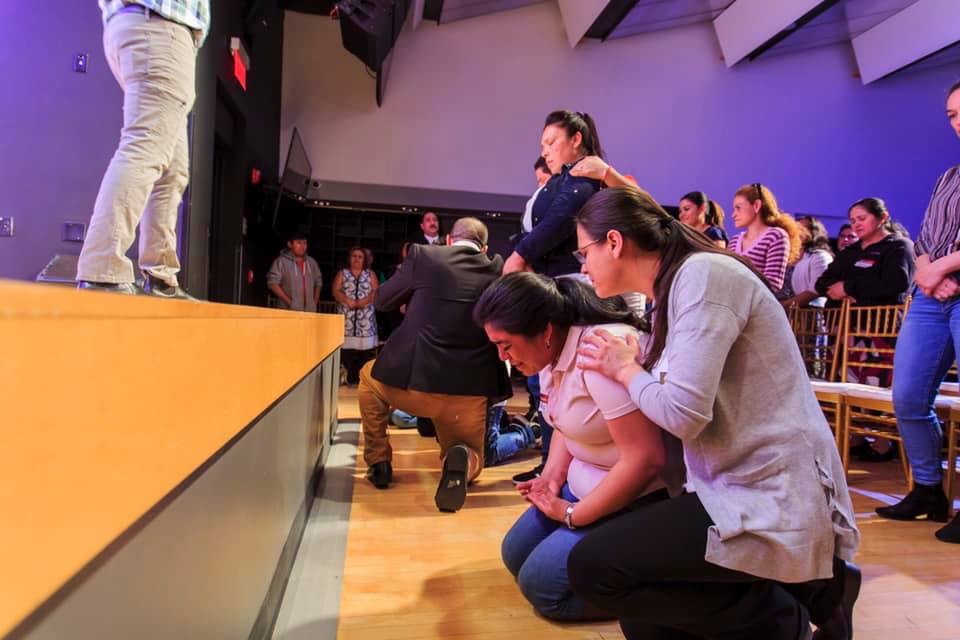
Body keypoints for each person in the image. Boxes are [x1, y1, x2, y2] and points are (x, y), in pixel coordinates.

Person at [563, 187, 860, 640]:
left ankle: (788, 617)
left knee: (593, 569)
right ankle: (815, 592)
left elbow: (683, 414)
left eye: (585, 252)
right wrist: (635, 369)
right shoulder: (673, 292)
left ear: (615, 242)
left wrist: (625, 371)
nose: (583, 266)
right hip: (726, 480)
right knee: (645, 623)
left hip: (769, 486)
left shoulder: (703, 276)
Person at [475, 273, 673, 621]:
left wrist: (572, 514)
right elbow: (565, 423)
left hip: (637, 496)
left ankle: (673, 593)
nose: (503, 356)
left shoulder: (599, 354)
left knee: (544, 590)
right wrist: (552, 478)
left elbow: (646, 459)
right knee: (514, 554)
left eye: (506, 345)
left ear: (545, 332)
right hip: (585, 483)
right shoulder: (550, 353)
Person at [358, 217, 510, 512]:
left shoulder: (424, 256)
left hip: (414, 383)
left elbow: (383, 301)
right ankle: (461, 461)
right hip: (470, 391)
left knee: (367, 377)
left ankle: (379, 462)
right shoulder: (496, 268)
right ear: (484, 248)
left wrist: (413, 299)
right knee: (473, 453)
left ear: (449, 240)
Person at [77, 1, 209, 299]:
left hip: (149, 27)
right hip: (161, 27)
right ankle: (102, 268)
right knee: (145, 148)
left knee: (173, 170)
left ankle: (161, 276)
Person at [504, 110, 606, 484]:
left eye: (551, 142)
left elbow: (559, 220)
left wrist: (520, 255)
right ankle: (552, 465)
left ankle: (562, 467)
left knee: (566, 382)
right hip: (554, 283)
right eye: (542, 144)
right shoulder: (564, 179)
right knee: (549, 382)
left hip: (572, 287)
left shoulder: (584, 176)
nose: (545, 150)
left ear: (576, 139)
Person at [878, 81, 960, 543]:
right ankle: (928, 490)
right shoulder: (949, 176)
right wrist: (930, 270)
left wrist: (942, 268)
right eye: (951, 115)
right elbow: (925, 237)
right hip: (931, 297)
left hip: (949, 287)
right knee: (908, 396)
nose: (957, 122)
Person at [814, 198, 913, 308]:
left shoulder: (899, 246)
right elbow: (820, 283)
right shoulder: (849, 251)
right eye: (853, 221)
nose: (856, 224)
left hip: (879, 317)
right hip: (839, 317)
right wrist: (837, 292)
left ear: (883, 217)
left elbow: (896, 282)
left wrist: (848, 288)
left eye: (862, 219)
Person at [729, 183, 802, 292]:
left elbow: (773, 284)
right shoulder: (734, 241)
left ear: (756, 205)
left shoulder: (775, 236)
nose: (733, 215)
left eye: (738, 208)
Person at [333, 247, 379, 385]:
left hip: (365, 318)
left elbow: (376, 291)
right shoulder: (342, 273)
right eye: (354, 256)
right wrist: (348, 300)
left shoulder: (370, 274)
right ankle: (348, 377)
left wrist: (364, 301)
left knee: (365, 353)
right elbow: (336, 290)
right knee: (347, 352)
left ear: (364, 260)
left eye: (360, 256)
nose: (357, 259)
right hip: (347, 317)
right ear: (349, 258)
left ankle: (362, 380)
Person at [781, 215, 833, 310]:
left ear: (814, 233)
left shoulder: (820, 256)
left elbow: (815, 290)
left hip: (808, 312)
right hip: (782, 311)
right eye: (795, 227)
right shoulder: (786, 256)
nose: (797, 231)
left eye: (803, 228)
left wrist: (783, 305)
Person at [266, 231, 323, 312]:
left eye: (305, 243)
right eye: (299, 243)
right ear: (290, 244)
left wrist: (314, 302)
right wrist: (290, 303)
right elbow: (272, 283)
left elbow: (318, 282)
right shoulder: (281, 262)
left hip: (309, 312)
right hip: (287, 311)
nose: (302, 246)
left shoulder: (311, 262)